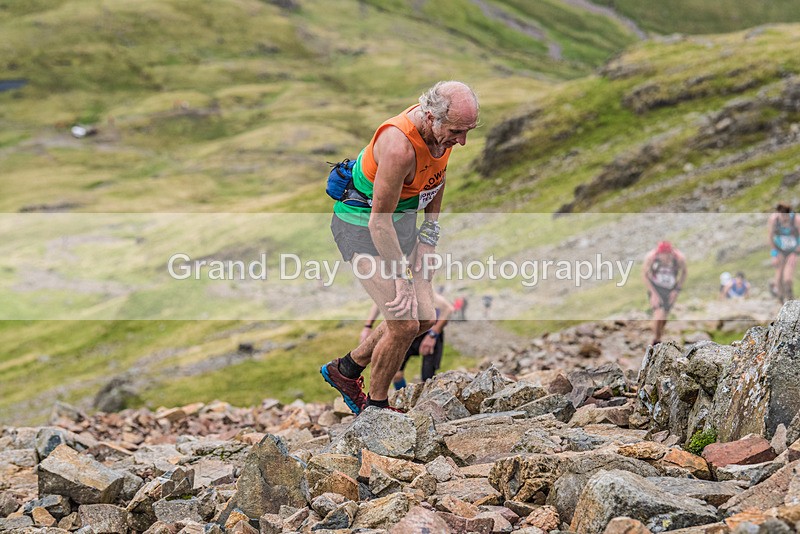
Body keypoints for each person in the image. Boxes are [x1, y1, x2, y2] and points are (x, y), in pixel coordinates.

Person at [321, 81, 479, 414]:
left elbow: (437, 178)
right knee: (404, 322)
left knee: (425, 317)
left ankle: (346, 369)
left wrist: (429, 236)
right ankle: (376, 408)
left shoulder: (442, 135)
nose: (462, 141)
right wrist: (402, 278)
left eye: (468, 131)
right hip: (361, 226)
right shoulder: (399, 147)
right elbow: (378, 224)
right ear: (431, 116)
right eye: (457, 132)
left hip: (401, 225)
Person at [360, 291, 454, 389]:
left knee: (427, 379)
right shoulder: (391, 287)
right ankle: (404, 396)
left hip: (429, 334)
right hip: (409, 332)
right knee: (395, 374)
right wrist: (367, 326)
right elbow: (379, 301)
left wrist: (432, 335)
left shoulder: (420, 288)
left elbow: (448, 309)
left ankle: (425, 396)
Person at [642, 241, 687, 345]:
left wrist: (676, 290)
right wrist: (653, 294)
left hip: (670, 289)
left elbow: (684, 272)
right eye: (662, 255)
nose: (664, 258)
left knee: (664, 317)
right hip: (656, 288)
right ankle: (656, 340)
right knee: (659, 314)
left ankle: (659, 336)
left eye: (667, 255)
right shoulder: (651, 257)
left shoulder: (679, 258)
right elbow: (644, 274)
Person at [768, 203, 799, 303]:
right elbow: (770, 237)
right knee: (779, 279)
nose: (783, 218)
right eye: (781, 215)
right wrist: (774, 254)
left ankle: (791, 301)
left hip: (793, 251)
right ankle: (781, 301)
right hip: (780, 250)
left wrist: (795, 253)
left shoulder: (796, 220)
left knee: (787, 279)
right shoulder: (774, 219)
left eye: (785, 216)